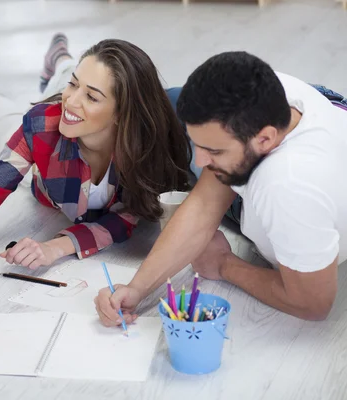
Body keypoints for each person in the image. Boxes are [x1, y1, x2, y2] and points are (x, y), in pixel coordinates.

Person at [95, 51, 347, 324]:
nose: (199, 161)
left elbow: (313, 303)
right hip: (331, 109)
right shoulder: (268, 93)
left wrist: (224, 264)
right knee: (164, 107)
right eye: (199, 145)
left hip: (306, 184)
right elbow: (204, 203)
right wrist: (136, 288)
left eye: (213, 150)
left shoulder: (286, 187)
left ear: (265, 139)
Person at [0, 35, 192, 269]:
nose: (72, 100)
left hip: (83, 126)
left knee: (39, 111)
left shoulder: (145, 147)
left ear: (123, 114)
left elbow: (123, 220)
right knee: (2, 121)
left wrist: (55, 248)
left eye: (92, 96)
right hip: (50, 144)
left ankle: (61, 61)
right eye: (73, 84)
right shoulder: (41, 128)